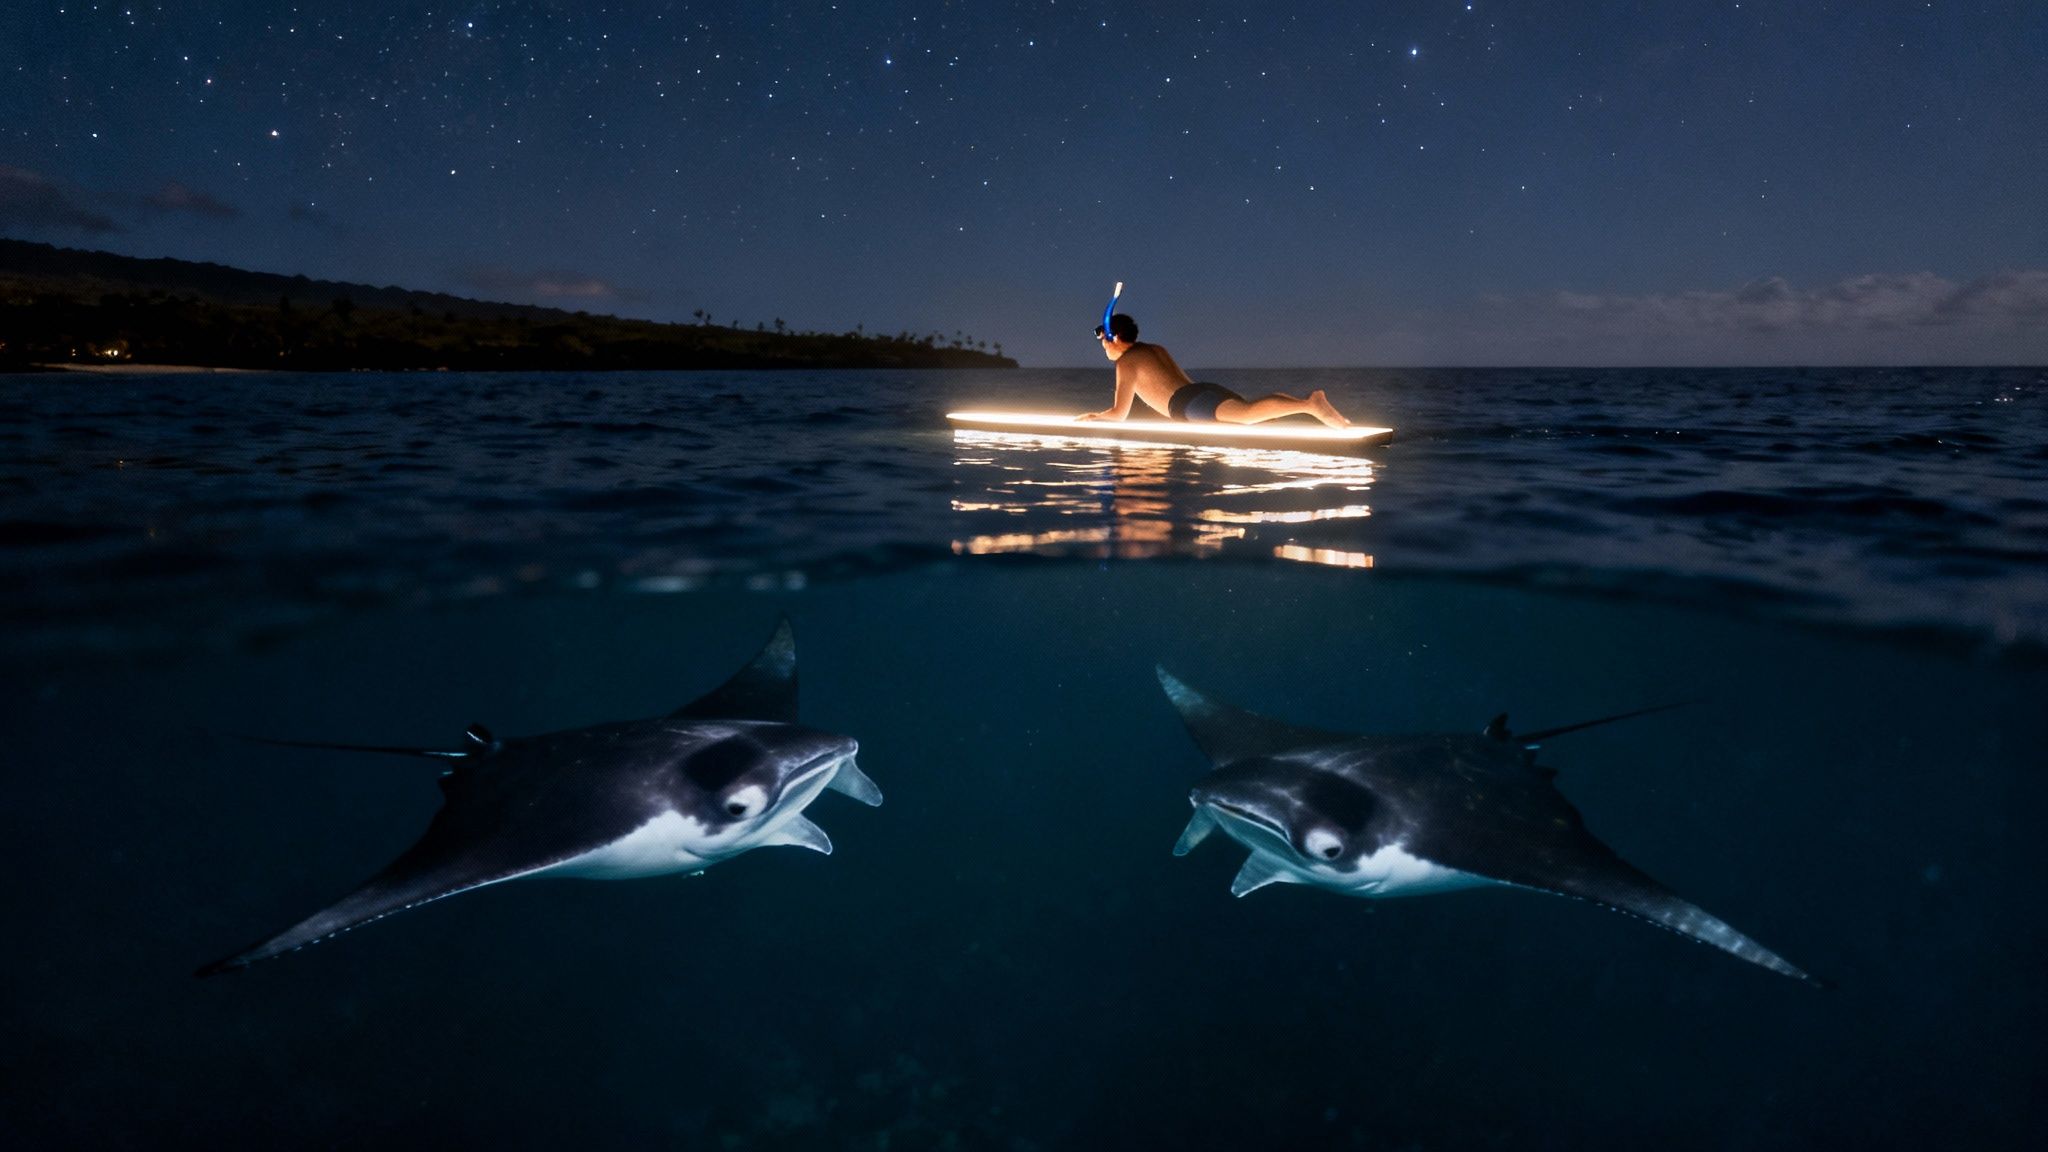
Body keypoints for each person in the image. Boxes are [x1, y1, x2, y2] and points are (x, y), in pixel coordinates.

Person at [1077, 313, 1350, 427]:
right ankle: (1307, 405)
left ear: (1115, 338)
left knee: (1247, 416)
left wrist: (1094, 418)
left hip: (1186, 404)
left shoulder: (1126, 361)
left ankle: (1310, 405)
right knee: (1250, 412)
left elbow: (1119, 414)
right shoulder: (1154, 348)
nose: (1105, 350)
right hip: (1202, 390)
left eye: (1104, 343)